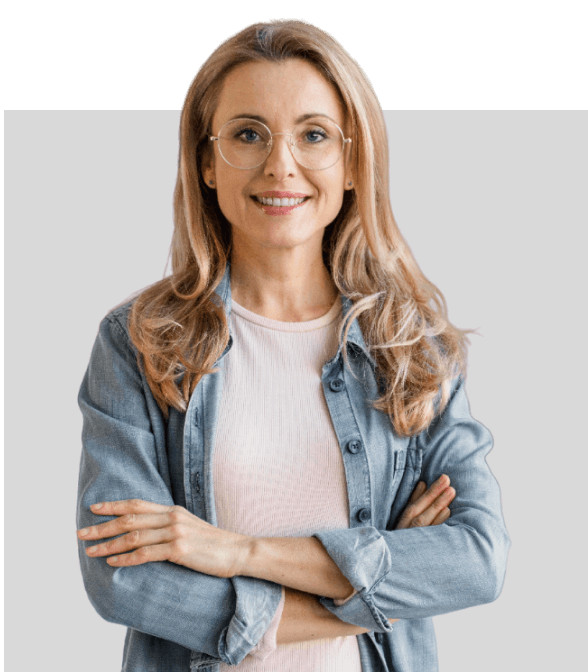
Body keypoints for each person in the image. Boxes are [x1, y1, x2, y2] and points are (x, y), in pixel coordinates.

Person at [76, 18, 509, 672]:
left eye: (314, 134)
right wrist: (377, 584)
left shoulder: (413, 348)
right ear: (207, 163)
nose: (281, 165)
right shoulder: (138, 343)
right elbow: (121, 579)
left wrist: (234, 552)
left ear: (353, 163)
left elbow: (477, 559)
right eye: (248, 134)